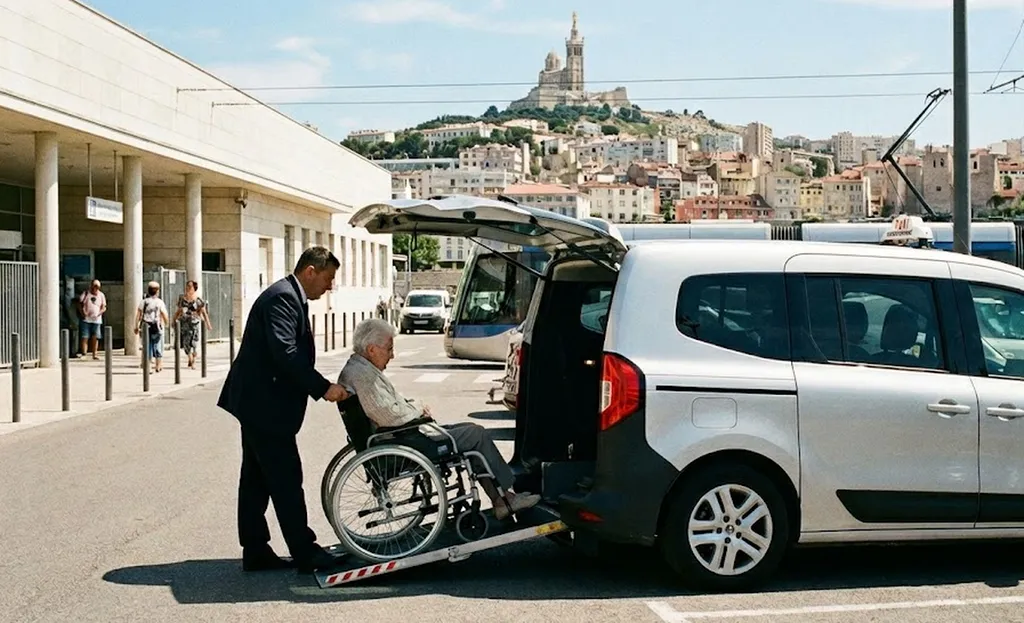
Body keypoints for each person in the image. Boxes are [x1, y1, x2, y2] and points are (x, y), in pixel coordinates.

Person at [217, 246, 349, 574]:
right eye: (328, 278)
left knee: (256, 478)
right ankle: (304, 551)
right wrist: (323, 387)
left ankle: (255, 549)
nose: (330, 286)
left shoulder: (288, 294)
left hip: (259, 402)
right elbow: (285, 353)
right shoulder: (283, 298)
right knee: (286, 478)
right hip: (265, 405)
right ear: (310, 271)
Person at [338, 318, 540, 520]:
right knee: (476, 434)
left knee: (468, 432)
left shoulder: (358, 367)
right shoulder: (363, 375)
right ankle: (505, 499)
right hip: (403, 440)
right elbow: (389, 416)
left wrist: (413, 406)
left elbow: (385, 409)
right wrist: (418, 409)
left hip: (397, 437)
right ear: (372, 349)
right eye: (389, 349)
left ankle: (501, 500)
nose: (392, 355)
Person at [172, 280, 213, 369]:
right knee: (186, 342)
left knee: (194, 342)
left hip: (194, 323)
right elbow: (178, 311)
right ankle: (190, 357)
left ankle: (193, 356)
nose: (188, 288)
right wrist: (174, 320)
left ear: (194, 288)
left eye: (190, 286)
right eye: (187, 286)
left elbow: (204, 313)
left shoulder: (198, 300)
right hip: (184, 323)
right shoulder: (182, 299)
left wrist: (208, 324)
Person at [134, 281, 169, 373]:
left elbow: (138, 315)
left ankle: (148, 366)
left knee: (147, 346)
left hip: (146, 326)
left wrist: (136, 326)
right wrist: (166, 323)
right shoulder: (159, 302)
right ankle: (158, 365)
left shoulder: (144, 302)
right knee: (158, 345)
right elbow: (164, 314)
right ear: (157, 291)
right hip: (157, 326)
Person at [77, 280, 106, 359]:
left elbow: (104, 307)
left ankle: (95, 354)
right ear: (91, 286)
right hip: (86, 319)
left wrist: (99, 313)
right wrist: (83, 313)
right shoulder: (86, 294)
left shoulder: (101, 295)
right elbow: (79, 304)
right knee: (85, 336)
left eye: (97, 287)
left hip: (97, 320)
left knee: (95, 337)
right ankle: (84, 354)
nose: (95, 289)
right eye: (94, 286)